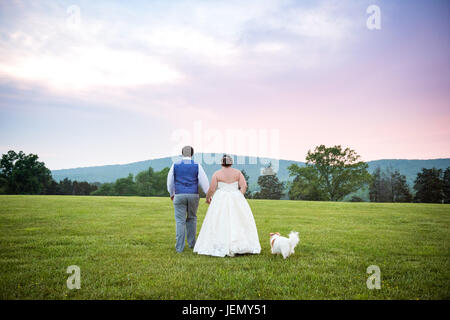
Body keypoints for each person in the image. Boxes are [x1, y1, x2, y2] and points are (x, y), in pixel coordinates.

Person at [193, 154, 261, 257]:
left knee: (219, 220)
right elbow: (244, 185)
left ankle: (219, 243)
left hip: (221, 198)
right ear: (231, 163)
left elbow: (212, 189)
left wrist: (208, 198)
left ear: (221, 163)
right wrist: (239, 195)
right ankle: (239, 243)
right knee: (239, 220)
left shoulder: (217, 173)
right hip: (235, 197)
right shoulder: (237, 173)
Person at [167, 146, 209, 253]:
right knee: (192, 218)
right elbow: (203, 182)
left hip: (179, 194)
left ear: (181, 154)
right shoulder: (197, 165)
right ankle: (192, 244)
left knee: (180, 221)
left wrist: (172, 193)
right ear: (192, 154)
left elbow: (170, 181)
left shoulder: (175, 165)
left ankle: (179, 248)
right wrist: (207, 194)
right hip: (193, 194)